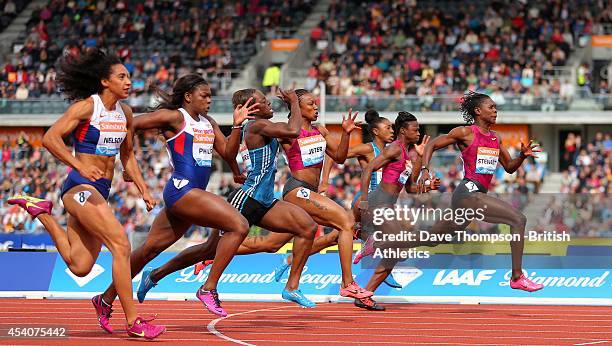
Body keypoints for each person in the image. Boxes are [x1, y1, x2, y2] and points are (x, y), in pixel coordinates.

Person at [8, 48, 165, 339]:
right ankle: (133, 322)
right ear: (105, 82)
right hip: (79, 187)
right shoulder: (86, 108)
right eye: (122, 76)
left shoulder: (126, 113)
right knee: (121, 245)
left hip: (99, 192)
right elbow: (50, 138)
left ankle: (42, 212)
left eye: (129, 76)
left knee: (80, 266)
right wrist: (78, 163)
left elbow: (127, 155)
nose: (128, 81)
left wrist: (144, 189)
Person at [95, 74, 256, 325]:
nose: (209, 100)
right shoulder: (176, 117)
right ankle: (208, 288)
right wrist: (128, 160)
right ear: (188, 96)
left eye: (211, 96)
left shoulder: (208, 122)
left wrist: (236, 128)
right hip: (182, 191)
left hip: (189, 196)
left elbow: (227, 151)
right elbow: (132, 124)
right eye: (204, 96)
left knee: (149, 250)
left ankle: (105, 299)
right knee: (239, 225)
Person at [136, 88, 319, 307]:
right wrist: (294, 104)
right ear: (252, 107)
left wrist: (234, 170)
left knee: (306, 228)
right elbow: (292, 130)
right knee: (207, 249)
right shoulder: (256, 125)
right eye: (264, 101)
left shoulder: (266, 126)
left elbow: (285, 131)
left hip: (266, 201)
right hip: (246, 199)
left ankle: (291, 287)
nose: (269, 104)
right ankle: (173, 279)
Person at [198, 89, 371, 298]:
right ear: (297, 106)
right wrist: (237, 168)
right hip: (297, 190)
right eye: (310, 104)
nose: (315, 107)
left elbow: (340, 157)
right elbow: (242, 145)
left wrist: (346, 133)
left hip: (310, 194)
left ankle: (212, 257)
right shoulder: (287, 134)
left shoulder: (321, 131)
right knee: (345, 221)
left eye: (316, 104)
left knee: (271, 244)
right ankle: (347, 283)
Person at [417, 91, 543, 292]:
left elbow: (509, 166)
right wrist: (424, 170)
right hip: (468, 193)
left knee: (433, 239)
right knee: (518, 219)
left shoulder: (495, 138)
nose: (495, 110)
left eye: (495, 107)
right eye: (491, 107)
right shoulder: (465, 132)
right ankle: (517, 277)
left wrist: (521, 156)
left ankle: (385, 243)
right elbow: (432, 144)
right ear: (477, 111)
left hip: (476, 197)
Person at [272, 109, 404, 293]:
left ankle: (289, 260)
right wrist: (325, 180)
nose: (392, 130)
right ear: (376, 131)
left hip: (380, 202)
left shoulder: (394, 152)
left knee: (334, 237)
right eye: (388, 127)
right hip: (366, 202)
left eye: (393, 127)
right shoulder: (367, 148)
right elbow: (332, 153)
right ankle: (378, 266)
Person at [354, 111, 438, 310]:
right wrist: (364, 199)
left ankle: (365, 294)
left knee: (397, 252)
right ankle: (371, 241)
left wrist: (429, 186)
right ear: (403, 131)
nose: (418, 132)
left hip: (387, 206)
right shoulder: (393, 149)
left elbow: (410, 189)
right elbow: (368, 170)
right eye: (415, 129)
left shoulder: (408, 155)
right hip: (377, 203)